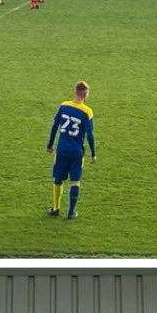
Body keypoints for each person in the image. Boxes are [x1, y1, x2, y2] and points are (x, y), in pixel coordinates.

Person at [46, 80, 96, 220]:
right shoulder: (87, 112)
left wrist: (50, 144)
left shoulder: (64, 106)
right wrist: (93, 153)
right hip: (76, 152)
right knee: (75, 181)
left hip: (62, 150)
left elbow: (54, 125)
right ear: (86, 95)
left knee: (58, 179)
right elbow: (90, 135)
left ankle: (56, 209)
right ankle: (71, 212)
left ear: (75, 92)